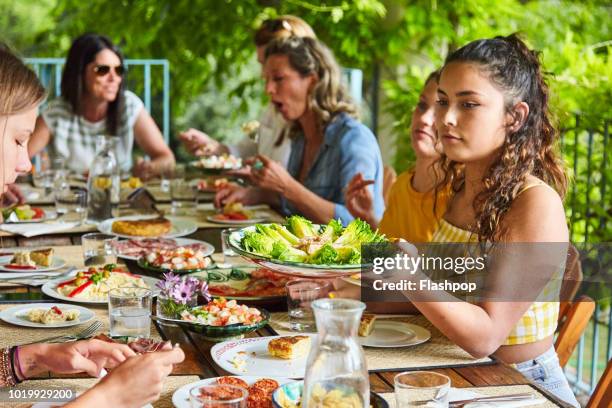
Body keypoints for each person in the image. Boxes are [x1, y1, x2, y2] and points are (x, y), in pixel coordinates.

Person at [389, 35, 578, 406]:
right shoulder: (462, 184)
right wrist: (339, 281)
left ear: (514, 117)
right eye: (443, 101)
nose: (446, 118)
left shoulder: (535, 203)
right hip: (461, 373)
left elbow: (486, 335)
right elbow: (445, 293)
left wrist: (411, 278)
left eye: (469, 104)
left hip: (520, 387)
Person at [0, 44, 184, 407]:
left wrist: (33, 358)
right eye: (19, 140)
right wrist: (112, 397)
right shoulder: (60, 114)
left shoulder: (128, 107)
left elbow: (166, 157)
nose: (27, 165)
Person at [215, 37, 384, 225]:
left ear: (312, 81)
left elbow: (360, 223)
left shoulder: (354, 139)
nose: (268, 89)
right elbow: (298, 204)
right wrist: (253, 194)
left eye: (278, 78)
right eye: (267, 80)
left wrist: (287, 186)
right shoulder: (300, 136)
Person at [28, 33, 174, 179]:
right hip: (70, 199)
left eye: (119, 70)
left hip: (119, 198)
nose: (114, 78)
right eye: (102, 70)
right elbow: (16, 157)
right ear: (79, 72)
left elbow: (168, 159)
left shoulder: (129, 106)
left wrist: (149, 168)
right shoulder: (57, 113)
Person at [180, 16, 316, 168]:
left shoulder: (329, 130)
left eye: (276, 72)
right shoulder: (275, 109)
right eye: (262, 64)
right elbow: (250, 150)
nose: (264, 75)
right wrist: (214, 147)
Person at [344, 70, 452, 242]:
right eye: (422, 105)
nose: (424, 118)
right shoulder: (401, 185)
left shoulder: (461, 197)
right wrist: (370, 218)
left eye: (439, 110)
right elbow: (391, 251)